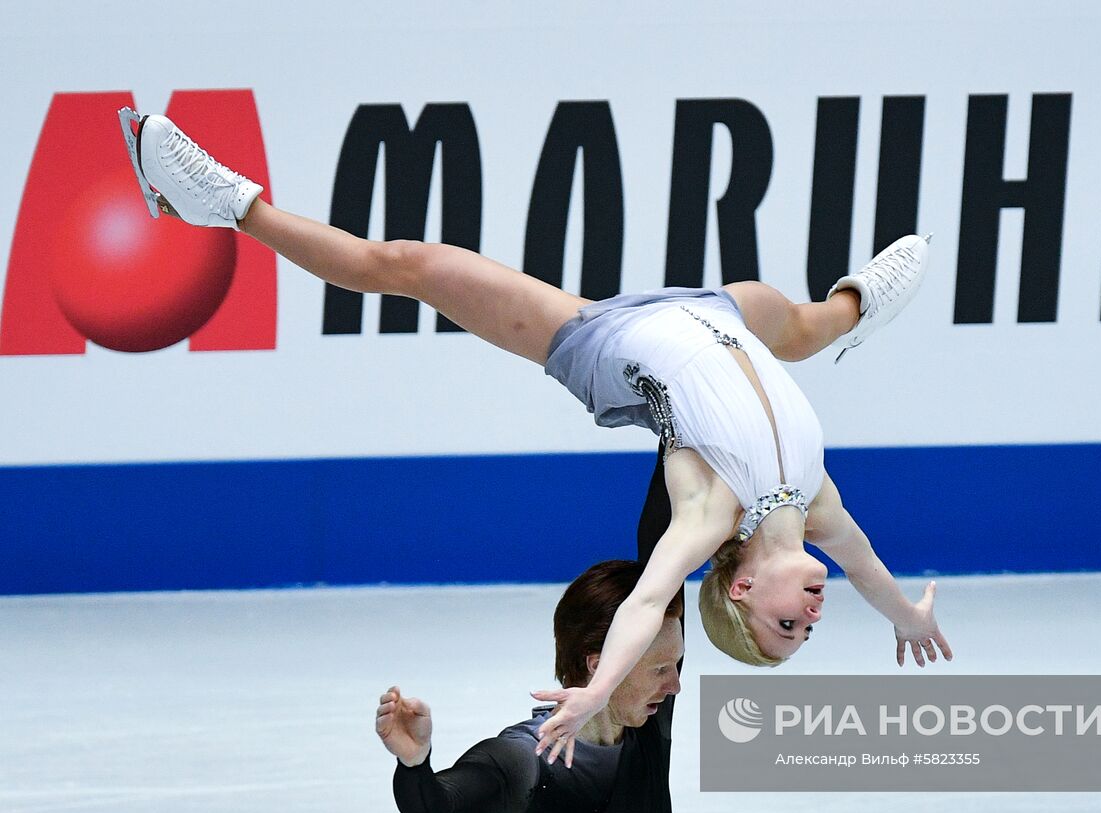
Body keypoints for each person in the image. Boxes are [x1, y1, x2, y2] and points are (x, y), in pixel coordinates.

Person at [121, 109, 954, 766]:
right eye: (805, 631)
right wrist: (907, 619)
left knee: (407, 264)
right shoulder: (817, 506)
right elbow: (868, 570)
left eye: (785, 627)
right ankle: (858, 305)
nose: (809, 618)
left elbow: (643, 604)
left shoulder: (710, 510)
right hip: (715, 315)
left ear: (739, 590)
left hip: (604, 340)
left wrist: (594, 693)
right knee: (802, 324)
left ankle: (227, 204)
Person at [377, 458, 684, 813]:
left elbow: (668, 550)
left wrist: (676, 440)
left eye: (676, 664)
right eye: (660, 670)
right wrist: (414, 763)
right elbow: (432, 808)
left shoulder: (645, 726)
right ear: (600, 665)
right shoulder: (523, 759)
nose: (675, 686)